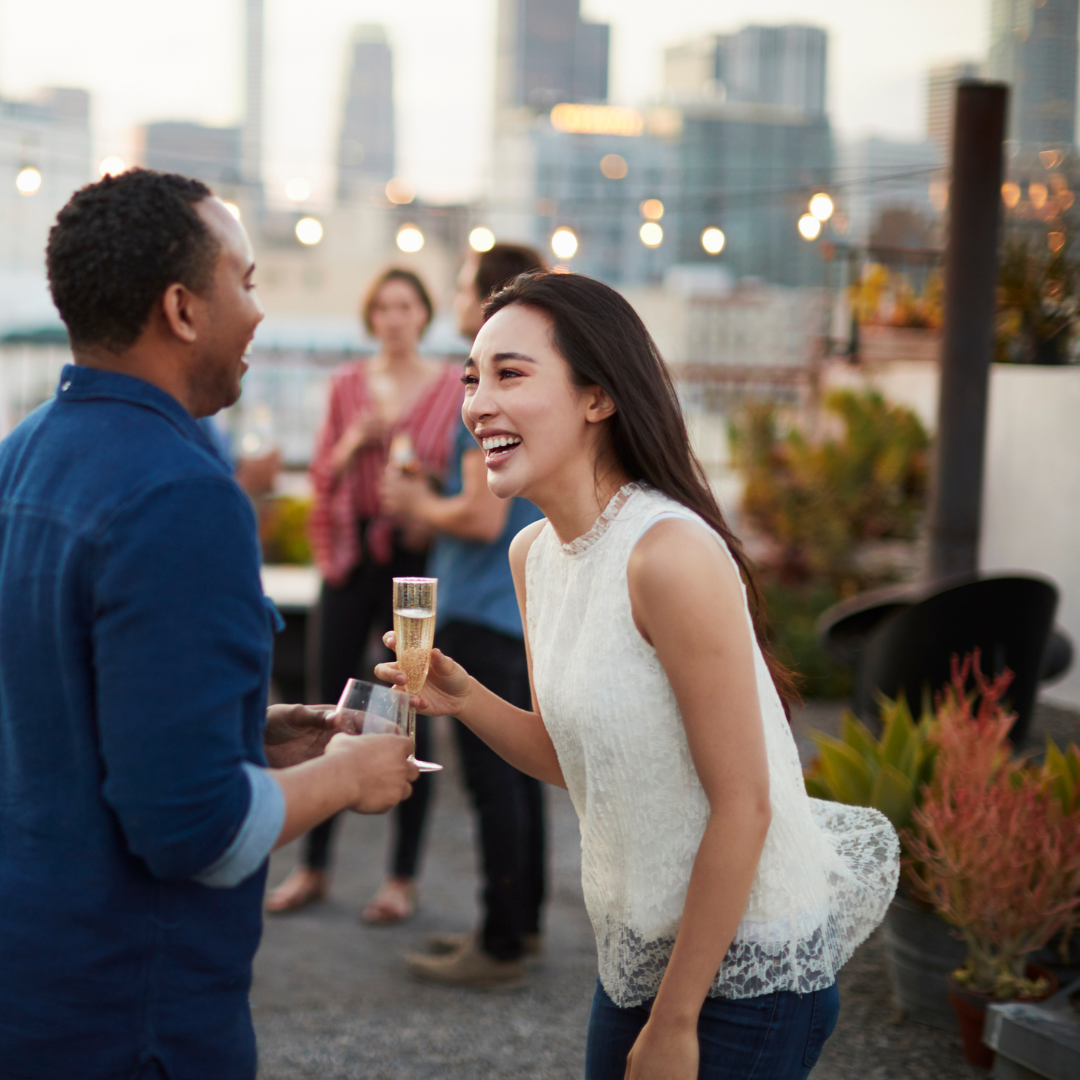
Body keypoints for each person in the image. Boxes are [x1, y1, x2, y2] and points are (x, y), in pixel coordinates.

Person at [378, 272, 900, 1079]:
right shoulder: (533, 554)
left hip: (745, 970)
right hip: (637, 952)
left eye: (511, 374)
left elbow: (746, 802)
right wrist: (467, 698)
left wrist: (676, 1019)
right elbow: (573, 760)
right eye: (473, 379)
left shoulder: (669, 553)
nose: (478, 404)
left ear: (598, 397)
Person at [0, 168, 419, 1080]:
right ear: (183, 309)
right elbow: (193, 830)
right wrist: (349, 774)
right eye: (247, 281)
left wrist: (243, 735)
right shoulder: (184, 495)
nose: (259, 313)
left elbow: (53, 705)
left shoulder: (21, 456)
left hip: (32, 972)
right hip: (134, 1011)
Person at [267, 267, 462, 920]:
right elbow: (322, 472)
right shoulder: (347, 384)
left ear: (424, 314)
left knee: (411, 703)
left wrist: (423, 492)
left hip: (415, 558)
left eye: (405, 305)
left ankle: (401, 877)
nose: (394, 317)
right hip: (350, 557)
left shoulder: (449, 386)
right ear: (370, 316)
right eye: (383, 306)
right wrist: (356, 441)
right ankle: (313, 865)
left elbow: (458, 477)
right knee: (327, 706)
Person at [379, 243, 547, 989]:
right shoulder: (528, 391)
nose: (451, 300)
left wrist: (420, 502)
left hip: (481, 606)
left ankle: (500, 945)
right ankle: (519, 926)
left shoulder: (486, 396)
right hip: (513, 605)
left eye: (457, 288)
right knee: (520, 775)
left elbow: (481, 516)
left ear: (488, 300)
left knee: (494, 782)